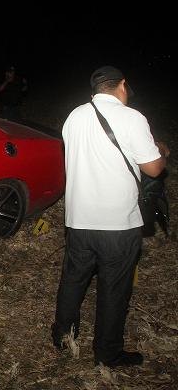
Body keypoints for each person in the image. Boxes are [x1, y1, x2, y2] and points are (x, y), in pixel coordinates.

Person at [51, 65, 170, 367]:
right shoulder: (133, 118)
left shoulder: (74, 117)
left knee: (73, 280)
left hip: (79, 220)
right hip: (118, 224)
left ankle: (64, 335)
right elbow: (154, 168)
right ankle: (107, 353)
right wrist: (162, 151)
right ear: (122, 85)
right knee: (114, 289)